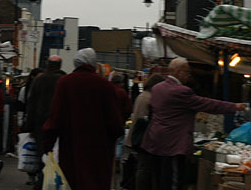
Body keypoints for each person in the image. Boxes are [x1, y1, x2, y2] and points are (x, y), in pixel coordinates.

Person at [141, 57, 247, 190]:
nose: (189, 76)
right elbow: (207, 104)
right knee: (174, 181)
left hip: (155, 140)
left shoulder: (157, 88)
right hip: (173, 144)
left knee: (161, 180)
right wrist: (235, 106)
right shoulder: (181, 91)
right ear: (178, 72)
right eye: (187, 72)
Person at [42, 48, 123, 190]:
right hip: (98, 148)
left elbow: (55, 116)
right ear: (92, 63)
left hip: (71, 146)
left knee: (73, 181)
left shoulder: (65, 83)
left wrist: (47, 143)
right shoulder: (105, 85)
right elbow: (114, 121)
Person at [24, 55, 65, 190]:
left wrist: (28, 125)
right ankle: (49, 180)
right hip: (59, 124)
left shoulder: (38, 81)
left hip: (39, 124)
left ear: (47, 64)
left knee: (42, 152)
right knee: (57, 154)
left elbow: (31, 104)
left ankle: (43, 180)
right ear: (60, 65)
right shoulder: (63, 80)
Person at [122, 73, 165, 190]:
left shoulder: (142, 96)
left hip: (136, 137)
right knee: (144, 169)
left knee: (142, 168)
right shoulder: (149, 98)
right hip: (143, 139)